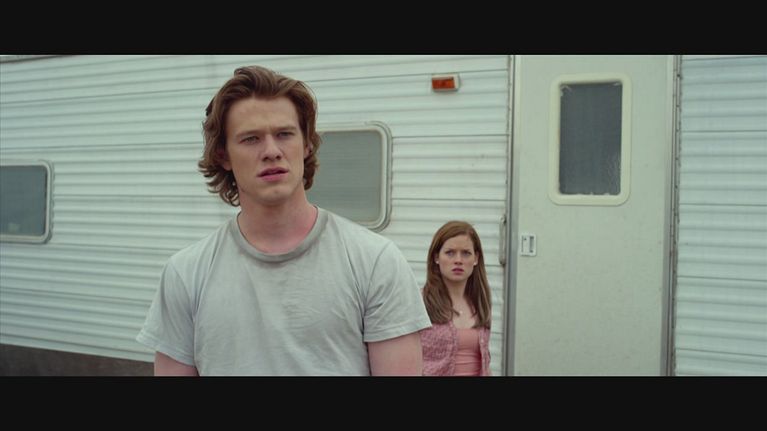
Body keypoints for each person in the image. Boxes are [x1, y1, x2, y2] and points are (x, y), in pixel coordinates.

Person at [136, 65, 431, 375]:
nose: (271, 151)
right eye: (251, 138)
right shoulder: (186, 273)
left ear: (306, 144)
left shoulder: (375, 260)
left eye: (284, 134)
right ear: (223, 155)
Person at [420, 221, 492, 376]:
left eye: (466, 253)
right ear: (436, 257)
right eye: (450, 253)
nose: (458, 260)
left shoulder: (480, 303)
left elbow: (485, 363)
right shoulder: (420, 302)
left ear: (476, 258)